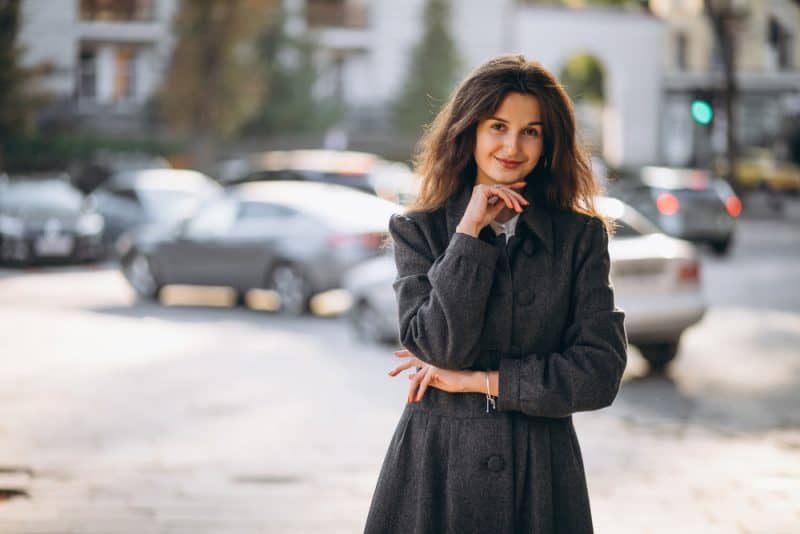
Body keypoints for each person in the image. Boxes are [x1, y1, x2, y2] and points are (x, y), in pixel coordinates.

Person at [364, 55, 627, 533]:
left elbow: (600, 373)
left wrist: (482, 382)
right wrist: (468, 232)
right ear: (470, 132)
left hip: (543, 472)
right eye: (498, 126)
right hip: (437, 468)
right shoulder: (417, 230)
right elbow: (440, 346)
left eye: (531, 131)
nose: (512, 145)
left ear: (548, 143)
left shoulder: (579, 238)